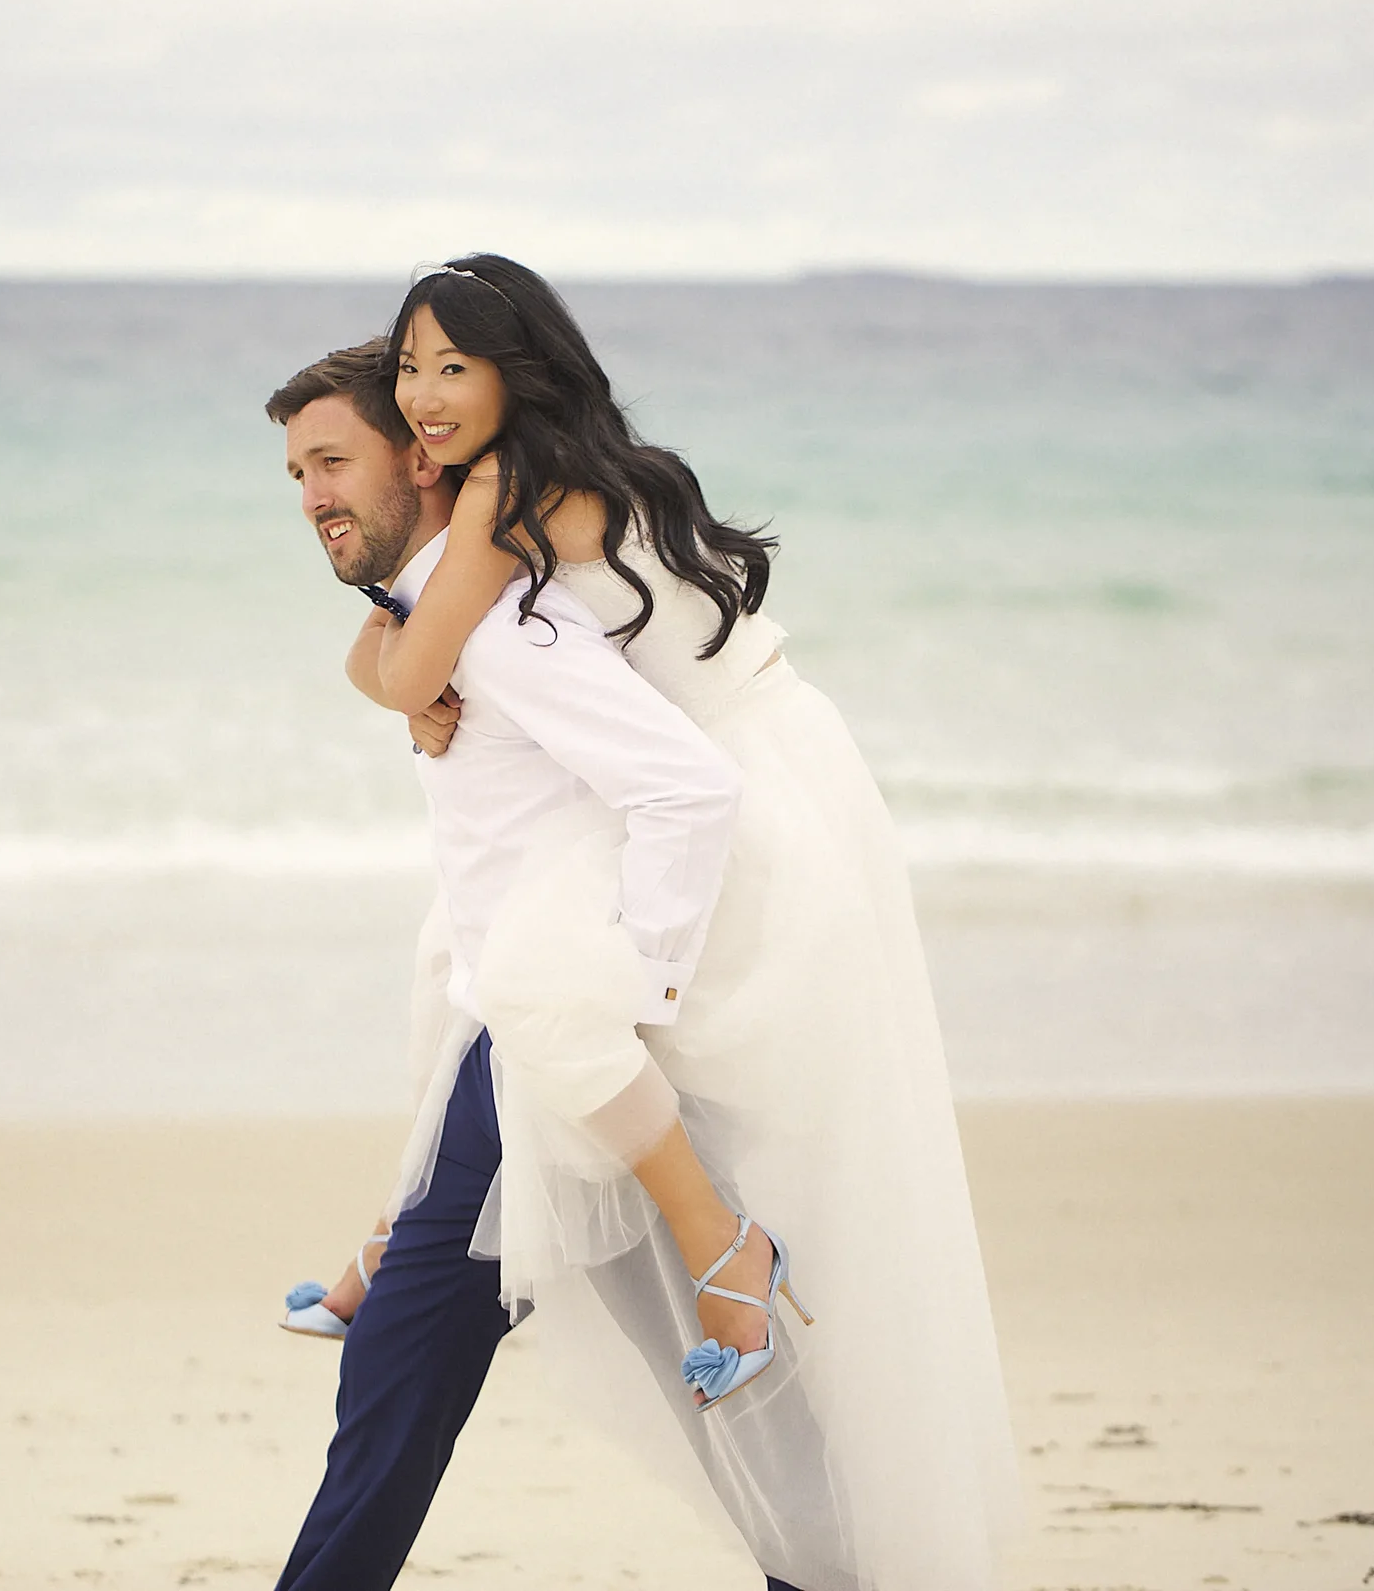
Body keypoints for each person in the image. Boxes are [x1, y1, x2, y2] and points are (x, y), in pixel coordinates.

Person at [269, 257, 1021, 1590]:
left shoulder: (503, 601)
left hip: (634, 957)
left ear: (427, 465)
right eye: (299, 474)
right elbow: (420, 689)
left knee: (502, 1350)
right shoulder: (468, 579)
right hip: (537, 992)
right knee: (671, 1377)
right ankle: (430, 1231)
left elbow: (678, 780)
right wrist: (392, 673)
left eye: (334, 462)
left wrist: (645, 981)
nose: (314, 498)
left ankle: (694, 1253)